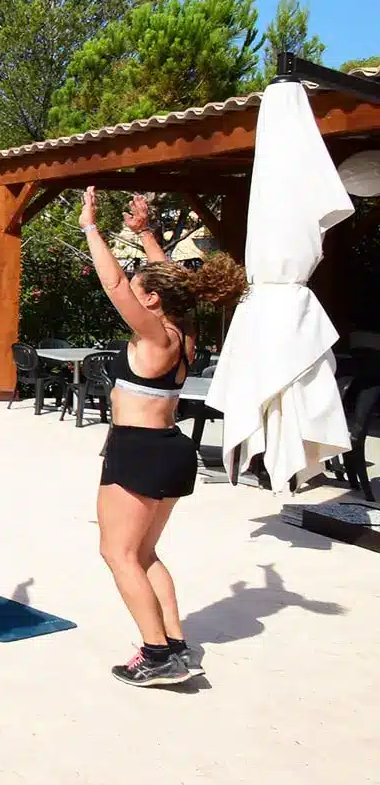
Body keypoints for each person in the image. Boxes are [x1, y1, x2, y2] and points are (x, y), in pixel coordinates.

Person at [82, 188, 246, 687]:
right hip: (172, 449)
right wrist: (146, 235)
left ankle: (156, 654)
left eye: (140, 287)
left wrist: (92, 226)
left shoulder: (153, 336)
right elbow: (173, 286)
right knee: (144, 552)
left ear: (150, 300)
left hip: (139, 450)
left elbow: (113, 284)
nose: (131, 288)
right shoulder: (184, 331)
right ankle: (175, 644)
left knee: (118, 554)